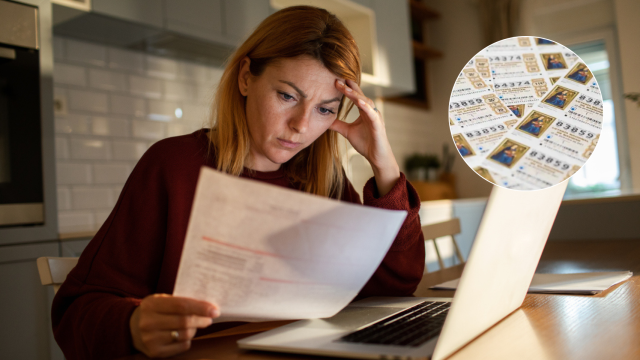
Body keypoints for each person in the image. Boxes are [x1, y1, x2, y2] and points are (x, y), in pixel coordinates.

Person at [51, 6, 425, 360]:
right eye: (287, 96)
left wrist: (383, 163)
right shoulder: (174, 166)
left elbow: (392, 291)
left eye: (325, 109)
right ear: (246, 77)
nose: (301, 125)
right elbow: (75, 311)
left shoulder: (323, 180)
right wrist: (133, 325)